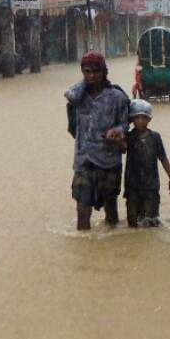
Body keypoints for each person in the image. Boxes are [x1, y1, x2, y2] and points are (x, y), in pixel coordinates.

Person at [65, 51, 130, 230]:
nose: (91, 75)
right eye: (87, 71)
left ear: (104, 72)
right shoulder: (79, 96)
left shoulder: (117, 97)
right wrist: (85, 83)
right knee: (82, 211)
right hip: (84, 161)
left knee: (111, 213)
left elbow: (125, 124)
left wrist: (116, 131)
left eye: (96, 71)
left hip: (109, 160)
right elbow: (69, 95)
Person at [123, 99, 170, 227]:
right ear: (132, 119)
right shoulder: (128, 137)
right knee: (132, 223)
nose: (140, 121)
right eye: (137, 117)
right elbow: (120, 149)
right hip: (132, 188)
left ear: (149, 119)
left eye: (144, 117)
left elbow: (163, 158)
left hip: (151, 187)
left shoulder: (155, 137)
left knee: (151, 222)